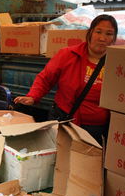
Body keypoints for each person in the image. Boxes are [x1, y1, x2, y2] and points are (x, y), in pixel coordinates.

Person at [14, 14, 118, 144]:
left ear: (114, 38)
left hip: (96, 129)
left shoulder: (118, 63)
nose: (102, 38)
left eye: (109, 34)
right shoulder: (68, 55)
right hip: (66, 121)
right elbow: (46, 77)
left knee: (90, 162)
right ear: (90, 33)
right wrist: (33, 96)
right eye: (98, 32)